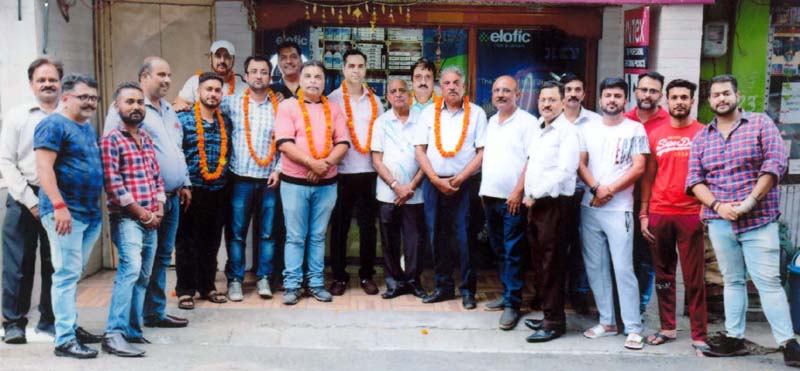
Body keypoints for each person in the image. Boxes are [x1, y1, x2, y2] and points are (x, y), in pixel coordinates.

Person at [686, 74, 800, 366]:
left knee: (769, 283)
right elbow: (695, 180)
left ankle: (788, 344)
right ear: (709, 101)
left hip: (759, 221)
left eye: (726, 93)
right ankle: (734, 338)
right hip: (721, 221)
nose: (721, 99)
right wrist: (717, 206)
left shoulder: (761, 124)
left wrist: (749, 203)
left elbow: (774, 165)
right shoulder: (702, 137)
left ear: (737, 96)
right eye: (715, 95)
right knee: (733, 281)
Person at [103, 56, 190, 327]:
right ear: (144, 77)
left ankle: (154, 312)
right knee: (136, 266)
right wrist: (140, 209)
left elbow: (177, 147)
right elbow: (112, 163)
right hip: (138, 206)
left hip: (169, 198)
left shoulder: (169, 109)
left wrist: (184, 181)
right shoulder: (124, 114)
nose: (166, 80)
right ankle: (125, 324)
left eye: (169, 75)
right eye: (160, 74)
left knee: (162, 258)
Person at [34, 74, 105, 359]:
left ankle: (71, 327)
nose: (89, 102)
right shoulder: (52, 125)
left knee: (73, 274)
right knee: (65, 275)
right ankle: (64, 339)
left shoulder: (86, 127)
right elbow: (44, 168)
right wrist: (58, 205)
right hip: (65, 214)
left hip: (89, 214)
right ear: (66, 98)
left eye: (94, 98)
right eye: (83, 97)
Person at [577, 77, 648, 350]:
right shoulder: (588, 128)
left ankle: (633, 327)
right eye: (608, 95)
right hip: (590, 206)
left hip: (620, 209)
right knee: (596, 268)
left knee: (623, 268)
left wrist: (609, 191)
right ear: (600, 99)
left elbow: (638, 167)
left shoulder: (635, 128)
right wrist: (596, 188)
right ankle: (607, 322)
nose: (612, 100)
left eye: (617, 96)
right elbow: (581, 163)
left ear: (625, 100)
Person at [639, 79, 708, 355]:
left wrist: (705, 208)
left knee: (694, 277)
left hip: (691, 213)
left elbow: (709, 175)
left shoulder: (704, 133)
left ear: (692, 101)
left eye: (684, 97)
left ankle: (699, 334)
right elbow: (648, 176)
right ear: (666, 101)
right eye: (674, 97)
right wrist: (644, 213)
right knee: (664, 275)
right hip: (659, 212)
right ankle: (668, 328)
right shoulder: (655, 133)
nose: (679, 101)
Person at [274, 60, 349, 305]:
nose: (313, 81)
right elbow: (284, 143)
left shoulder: (334, 108)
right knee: (295, 236)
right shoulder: (287, 106)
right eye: (308, 76)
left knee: (317, 236)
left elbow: (342, 143)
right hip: (294, 182)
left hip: (326, 183)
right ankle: (292, 285)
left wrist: (323, 165)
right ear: (301, 79)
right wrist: (311, 163)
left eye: (318, 77)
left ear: (325, 81)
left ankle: (316, 283)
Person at [100, 82, 166, 357]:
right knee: (129, 272)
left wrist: (160, 206)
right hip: (128, 219)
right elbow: (113, 185)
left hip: (152, 217)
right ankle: (113, 334)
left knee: (143, 276)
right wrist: (143, 213)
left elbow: (156, 177)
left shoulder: (146, 138)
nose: (136, 107)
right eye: (130, 102)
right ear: (117, 107)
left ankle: (132, 330)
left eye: (140, 102)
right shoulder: (111, 140)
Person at [415, 66, 487, 309]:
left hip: (464, 183)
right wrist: (435, 179)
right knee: (437, 236)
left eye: (456, 82)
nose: (452, 87)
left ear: (464, 86)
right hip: (434, 183)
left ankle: (468, 290)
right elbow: (419, 150)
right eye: (447, 83)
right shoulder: (427, 114)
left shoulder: (476, 113)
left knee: (466, 237)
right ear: (440, 87)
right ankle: (443, 287)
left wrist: (458, 179)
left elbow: (481, 153)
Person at [1, 57, 61, 344]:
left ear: (61, 83)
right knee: (18, 263)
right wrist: (30, 201)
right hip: (22, 196)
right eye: (41, 80)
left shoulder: (68, 114)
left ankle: (50, 320)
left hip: (60, 199)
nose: (48, 84)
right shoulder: (17, 115)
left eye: (52, 79)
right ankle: (13, 322)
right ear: (31, 84)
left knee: (56, 262)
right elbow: (5, 161)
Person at [522, 81, 581, 342]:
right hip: (535, 205)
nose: (546, 104)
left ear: (562, 102)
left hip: (554, 206)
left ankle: (554, 322)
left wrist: (535, 194)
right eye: (543, 99)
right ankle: (549, 314)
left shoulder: (567, 132)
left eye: (552, 100)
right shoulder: (538, 127)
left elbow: (566, 171)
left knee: (553, 265)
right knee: (540, 264)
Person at [221, 55, 281, 301]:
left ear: (270, 77)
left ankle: (264, 278)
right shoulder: (232, 103)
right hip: (240, 179)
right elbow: (206, 104)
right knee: (236, 233)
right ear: (245, 76)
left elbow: (286, 140)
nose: (259, 76)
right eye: (254, 71)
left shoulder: (279, 106)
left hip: (270, 179)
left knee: (267, 233)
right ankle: (235, 280)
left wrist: (278, 169)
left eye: (264, 72)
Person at [478, 76, 535, 329]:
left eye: (506, 91)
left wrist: (518, 191)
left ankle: (513, 304)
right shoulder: (491, 121)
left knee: (513, 251)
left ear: (518, 94)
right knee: (499, 249)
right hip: (490, 197)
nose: (501, 94)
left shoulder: (528, 122)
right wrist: (483, 193)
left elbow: (532, 160)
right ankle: (506, 293)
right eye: (496, 90)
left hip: (512, 199)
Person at [327, 49, 385, 296]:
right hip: (341, 172)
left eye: (360, 66)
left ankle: (366, 275)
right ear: (343, 69)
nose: (356, 70)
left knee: (367, 227)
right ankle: (339, 276)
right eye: (351, 65)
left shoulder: (376, 100)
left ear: (366, 70)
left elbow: (382, 137)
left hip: (369, 172)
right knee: (339, 227)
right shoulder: (332, 99)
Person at [174, 72, 232, 309]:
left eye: (217, 90)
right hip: (191, 190)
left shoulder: (225, 121)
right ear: (198, 92)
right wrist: (183, 184)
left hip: (218, 189)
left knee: (211, 241)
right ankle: (185, 289)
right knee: (186, 241)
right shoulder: (184, 118)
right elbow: (177, 153)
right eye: (208, 89)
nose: (213, 94)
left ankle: (207, 285)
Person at [371, 78, 426, 300]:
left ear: (409, 93)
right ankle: (394, 283)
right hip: (387, 193)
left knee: (414, 241)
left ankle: (413, 281)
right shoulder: (381, 122)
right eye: (393, 91)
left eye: (402, 90)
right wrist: (396, 186)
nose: (398, 94)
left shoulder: (422, 121)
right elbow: (376, 160)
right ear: (388, 96)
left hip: (415, 193)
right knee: (389, 239)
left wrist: (410, 186)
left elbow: (426, 157)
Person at [624, 71, 670, 313]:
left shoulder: (668, 122)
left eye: (653, 91)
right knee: (622, 257)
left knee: (645, 259)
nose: (647, 95)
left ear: (660, 95)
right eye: (643, 90)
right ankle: (621, 308)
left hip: (653, 202)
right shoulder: (624, 119)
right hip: (621, 200)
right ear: (635, 92)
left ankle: (639, 309)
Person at [559, 73, 601, 314]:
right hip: (556, 195)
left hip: (585, 193)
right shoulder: (551, 120)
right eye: (569, 90)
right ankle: (548, 292)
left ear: (584, 93)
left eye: (577, 89)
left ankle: (579, 294)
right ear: (562, 95)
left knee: (582, 246)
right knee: (555, 245)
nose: (573, 94)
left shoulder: (595, 122)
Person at [173, 40, 245, 111]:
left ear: (233, 60)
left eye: (227, 56)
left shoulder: (244, 88)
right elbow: (179, 103)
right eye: (218, 55)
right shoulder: (195, 81)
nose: (222, 60)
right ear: (210, 59)